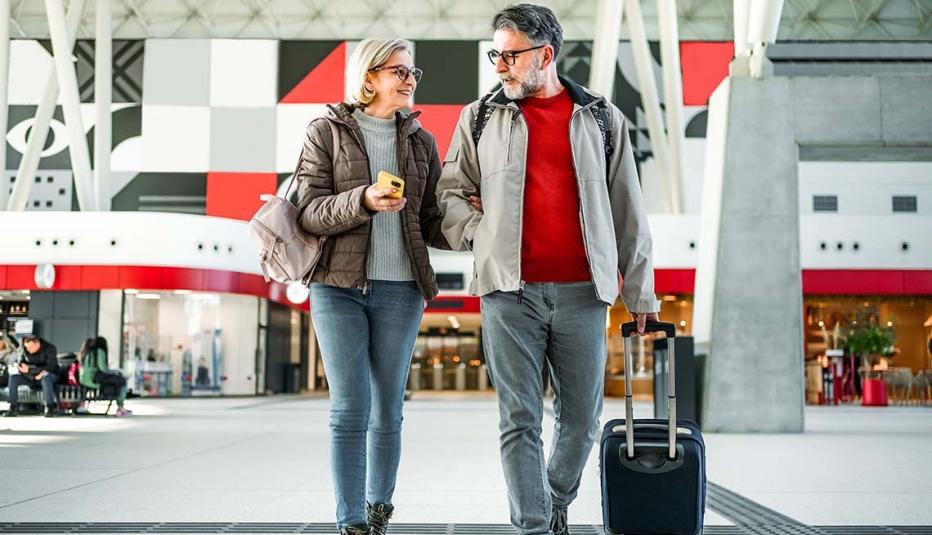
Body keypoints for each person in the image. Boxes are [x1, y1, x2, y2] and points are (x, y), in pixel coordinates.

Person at [437, 4, 661, 534]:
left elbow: (629, 210)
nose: (500, 66)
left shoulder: (601, 118)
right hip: (508, 293)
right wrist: (480, 235)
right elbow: (448, 196)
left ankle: (555, 497)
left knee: (582, 421)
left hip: (585, 292)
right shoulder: (479, 118)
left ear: (545, 54)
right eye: (495, 54)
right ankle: (535, 526)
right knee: (519, 419)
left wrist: (642, 292)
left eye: (510, 56)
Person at [294, 38, 449, 535]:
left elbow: (430, 221)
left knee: (388, 406)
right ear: (369, 76)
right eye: (399, 71)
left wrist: (472, 216)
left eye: (413, 73)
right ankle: (351, 520)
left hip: (401, 289)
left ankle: (379, 506)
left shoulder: (421, 142)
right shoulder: (326, 131)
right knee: (348, 407)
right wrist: (362, 199)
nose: (409, 80)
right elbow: (308, 213)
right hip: (337, 286)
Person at [5, 335, 60, 417]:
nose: (28, 350)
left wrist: (33, 371)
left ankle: (49, 407)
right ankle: (13, 407)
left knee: (46, 377)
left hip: (48, 376)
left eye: (31, 347)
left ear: (37, 344)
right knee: (14, 377)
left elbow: (50, 367)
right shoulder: (25, 350)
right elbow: (21, 366)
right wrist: (32, 375)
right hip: (30, 377)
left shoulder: (50, 348)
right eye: (27, 347)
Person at [78, 337, 132, 417]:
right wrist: (115, 371)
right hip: (94, 379)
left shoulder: (87, 352)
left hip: (84, 380)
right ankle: (120, 408)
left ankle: (120, 408)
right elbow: (103, 369)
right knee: (122, 381)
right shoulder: (99, 351)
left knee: (116, 380)